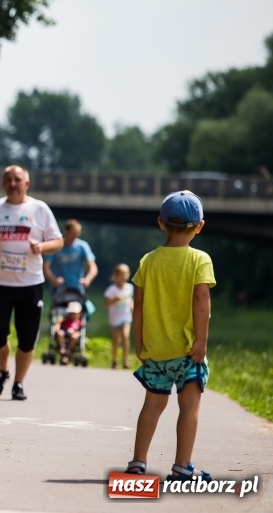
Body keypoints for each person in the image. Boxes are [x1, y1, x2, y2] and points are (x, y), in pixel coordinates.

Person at [123, 190, 216, 482]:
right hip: (187, 351)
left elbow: (138, 305)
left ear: (161, 223)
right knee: (189, 406)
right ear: (199, 226)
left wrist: (139, 342)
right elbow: (201, 302)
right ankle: (182, 467)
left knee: (152, 406)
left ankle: (138, 462)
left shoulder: (148, 261)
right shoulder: (199, 259)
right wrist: (201, 341)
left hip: (156, 351)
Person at [0, 165, 63, 400]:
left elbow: (58, 241)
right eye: (8, 180)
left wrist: (41, 247)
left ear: (26, 184)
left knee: (27, 339)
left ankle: (19, 383)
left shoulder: (40, 209)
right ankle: (4, 370)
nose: (13, 183)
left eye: (17, 179)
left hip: (30, 284)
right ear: (4, 184)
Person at [43, 219, 98, 295]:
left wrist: (87, 279)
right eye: (72, 234)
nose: (74, 237)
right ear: (66, 231)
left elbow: (93, 267)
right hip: (59, 290)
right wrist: (53, 280)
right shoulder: (56, 246)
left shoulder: (82, 246)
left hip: (78, 289)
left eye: (77, 235)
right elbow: (46, 266)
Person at [104, 263, 134, 369]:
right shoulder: (111, 290)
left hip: (126, 316)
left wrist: (133, 307)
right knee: (116, 339)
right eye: (121, 274)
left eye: (126, 273)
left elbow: (130, 299)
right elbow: (106, 304)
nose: (124, 276)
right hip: (115, 317)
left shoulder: (130, 288)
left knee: (125, 336)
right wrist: (114, 300)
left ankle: (125, 360)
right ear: (116, 275)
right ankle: (114, 360)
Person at [53, 301, 83, 365]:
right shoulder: (65, 320)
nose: (72, 315)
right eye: (71, 313)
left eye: (74, 314)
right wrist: (57, 327)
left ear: (79, 314)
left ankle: (68, 350)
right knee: (60, 333)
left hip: (73, 335)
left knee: (75, 336)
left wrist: (77, 333)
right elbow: (58, 325)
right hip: (64, 333)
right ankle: (62, 348)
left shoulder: (79, 323)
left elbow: (80, 331)